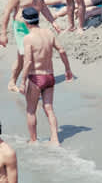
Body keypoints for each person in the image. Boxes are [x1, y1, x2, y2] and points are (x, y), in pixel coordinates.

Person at [16, 8, 72, 145]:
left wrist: (22, 81)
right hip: (49, 76)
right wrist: (68, 69)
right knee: (49, 108)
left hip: (36, 77)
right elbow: (62, 50)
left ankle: (33, 140)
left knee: (30, 110)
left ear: (25, 21)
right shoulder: (48, 33)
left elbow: (28, 61)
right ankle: (55, 138)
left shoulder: (28, 38)